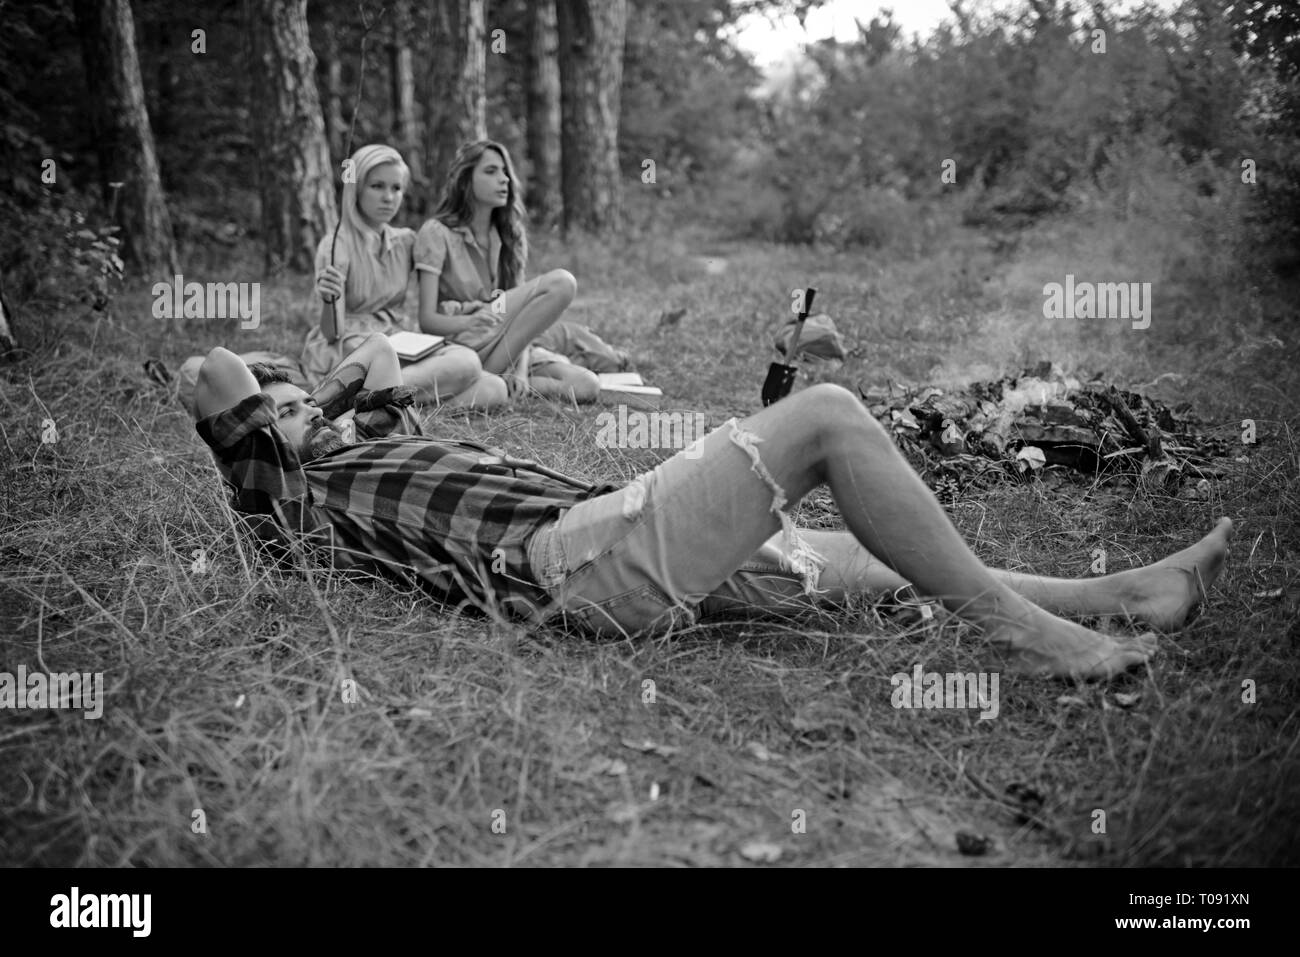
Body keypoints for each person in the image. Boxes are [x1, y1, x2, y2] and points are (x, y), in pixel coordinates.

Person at [192, 345, 1233, 681]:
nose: (292, 411)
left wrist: (361, 380)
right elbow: (206, 370)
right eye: (274, 408)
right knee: (822, 416)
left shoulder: (375, 438)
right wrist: (305, 405)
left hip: (605, 537)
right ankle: (1019, 632)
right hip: (568, 568)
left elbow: (461, 362)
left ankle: (1124, 593)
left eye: (295, 401)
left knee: (848, 559)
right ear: (257, 430)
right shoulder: (283, 490)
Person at [308, 143, 507, 409]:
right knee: (466, 363)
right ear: (356, 189)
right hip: (354, 348)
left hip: (399, 341)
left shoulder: (405, 241)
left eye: (396, 188)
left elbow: (445, 274)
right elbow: (333, 332)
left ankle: (376, 405)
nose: (388, 197)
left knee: (494, 388)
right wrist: (329, 299)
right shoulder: (337, 244)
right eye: (377, 186)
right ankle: (353, 397)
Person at [414, 140, 601, 403]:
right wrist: (471, 321)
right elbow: (427, 320)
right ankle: (485, 377)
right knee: (561, 283)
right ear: (465, 179)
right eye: (491, 171)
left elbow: (524, 318)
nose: (504, 180)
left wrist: (521, 369)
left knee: (586, 385)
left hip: (503, 342)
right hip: (462, 344)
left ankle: (498, 380)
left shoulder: (510, 235)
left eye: (504, 172)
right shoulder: (436, 232)